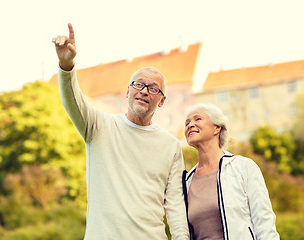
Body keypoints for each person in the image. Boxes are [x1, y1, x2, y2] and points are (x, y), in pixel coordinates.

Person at [52, 23, 189, 240]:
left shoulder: (170, 145)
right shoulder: (98, 126)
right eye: (138, 85)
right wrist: (66, 65)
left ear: (162, 101)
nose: (144, 91)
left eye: (153, 88)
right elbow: (73, 101)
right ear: (127, 92)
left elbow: (175, 203)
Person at [182, 103, 279, 240]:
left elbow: (264, 222)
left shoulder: (243, 167)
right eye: (187, 122)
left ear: (217, 127)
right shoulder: (187, 182)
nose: (190, 125)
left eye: (197, 119)